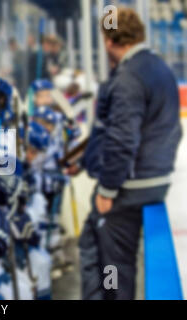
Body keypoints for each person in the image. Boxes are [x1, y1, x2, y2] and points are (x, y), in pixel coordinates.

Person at [76, 8, 183, 300]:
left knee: (111, 267)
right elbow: (172, 130)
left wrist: (108, 188)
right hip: (152, 181)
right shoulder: (160, 68)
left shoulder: (128, 77)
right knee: (107, 257)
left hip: (125, 190)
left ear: (110, 40)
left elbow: (123, 139)